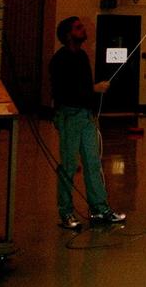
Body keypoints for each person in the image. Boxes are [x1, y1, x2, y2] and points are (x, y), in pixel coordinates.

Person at [48, 16, 126, 230]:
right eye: (78, 28)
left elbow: (83, 87)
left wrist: (91, 105)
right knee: (70, 166)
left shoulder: (82, 57)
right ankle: (65, 212)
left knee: (93, 163)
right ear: (67, 35)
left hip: (85, 116)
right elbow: (64, 92)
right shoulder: (59, 60)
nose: (83, 30)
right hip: (69, 116)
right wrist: (94, 89)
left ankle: (99, 208)